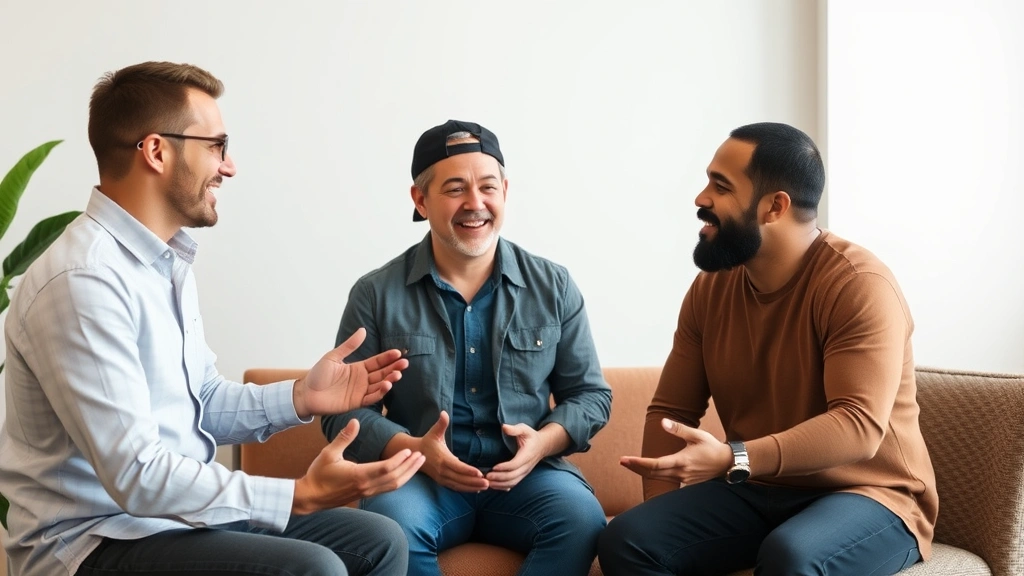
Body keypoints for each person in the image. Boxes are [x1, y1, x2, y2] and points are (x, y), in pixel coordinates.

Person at [0, 61, 425, 576]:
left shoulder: (165, 263)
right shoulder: (83, 281)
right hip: (93, 541)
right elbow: (136, 474)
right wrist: (296, 494)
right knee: (313, 569)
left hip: (167, 522)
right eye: (217, 145)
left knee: (378, 539)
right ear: (157, 151)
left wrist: (301, 398)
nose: (229, 166)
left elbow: (198, 402)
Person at [597, 122, 938, 576]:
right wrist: (660, 508)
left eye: (721, 186)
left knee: (791, 557)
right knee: (629, 539)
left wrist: (734, 457)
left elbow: (859, 426)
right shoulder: (710, 289)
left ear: (774, 206)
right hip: (758, 488)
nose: (701, 198)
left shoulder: (857, 285)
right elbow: (671, 409)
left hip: (871, 495)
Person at [321, 119, 612, 576]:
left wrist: (541, 445)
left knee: (581, 519)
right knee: (387, 530)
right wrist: (413, 447)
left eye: (488, 187)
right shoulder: (375, 293)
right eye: (455, 189)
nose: (475, 204)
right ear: (420, 199)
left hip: (528, 479)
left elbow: (591, 396)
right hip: (419, 479)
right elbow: (340, 411)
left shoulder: (553, 285)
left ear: (505, 191)